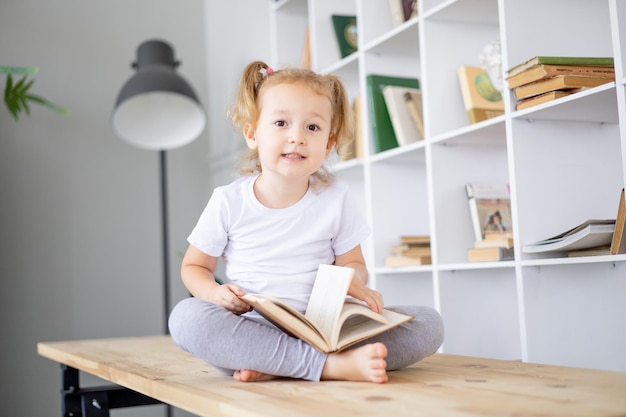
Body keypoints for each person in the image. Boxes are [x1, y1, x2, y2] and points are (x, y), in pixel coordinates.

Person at [168, 61, 444, 384]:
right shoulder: (228, 201)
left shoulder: (336, 198)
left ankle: (282, 364)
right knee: (187, 318)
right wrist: (215, 295)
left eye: (312, 128)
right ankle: (328, 367)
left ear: (328, 143)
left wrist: (350, 281)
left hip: (323, 328)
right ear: (252, 133)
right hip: (252, 329)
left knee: (429, 323)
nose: (297, 137)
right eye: (282, 123)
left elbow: (354, 264)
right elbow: (194, 268)